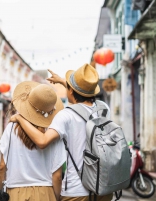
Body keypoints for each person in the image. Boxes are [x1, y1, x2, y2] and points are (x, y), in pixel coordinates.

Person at [10, 64, 113, 201]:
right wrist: (65, 83)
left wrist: (20, 118)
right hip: (103, 188)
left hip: (77, 191)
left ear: (70, 91)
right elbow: (82, 94)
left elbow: (42, 141)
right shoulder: (103, 109)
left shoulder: (66, 115)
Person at [0, 81, 66, 201]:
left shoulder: (11, 128)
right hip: (45, 193)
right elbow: (57, 176)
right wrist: (55, 197)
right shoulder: (53, 133)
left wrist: (1, 190)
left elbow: (2, 166)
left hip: (15, 192)